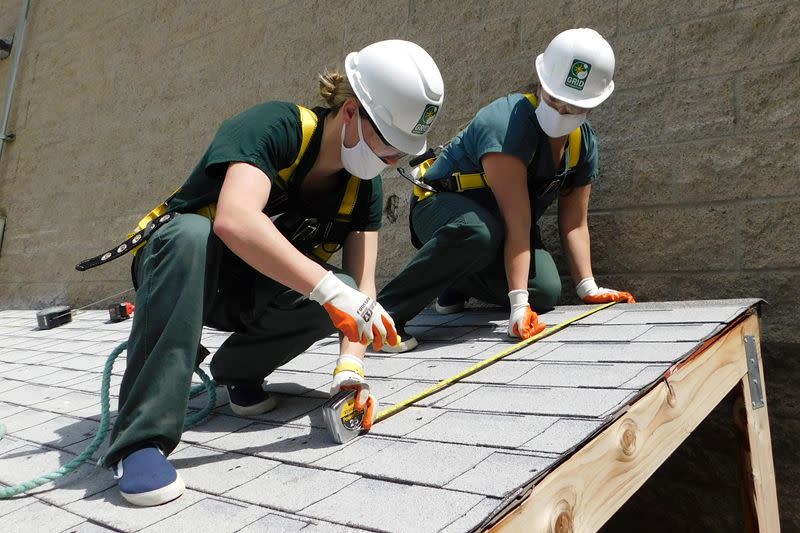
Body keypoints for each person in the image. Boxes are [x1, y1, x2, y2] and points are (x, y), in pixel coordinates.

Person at [101, 39, 444, 506]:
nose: (392, 162)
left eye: (402, 154)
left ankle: (240, 372)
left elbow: (361, 291)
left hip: (256, 290)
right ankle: (139, 440)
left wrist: (352, 369)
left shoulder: (361, 189)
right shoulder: (274, 126)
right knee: (191, 236)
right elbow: (235, 220)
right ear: (350, 112)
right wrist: (329, 291)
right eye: (387, 146)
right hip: (189, 272)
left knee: (343, 291)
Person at [378, 28, 633, 353]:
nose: (559, 112)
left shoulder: (582, 143)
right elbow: (518, 222)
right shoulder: (506, 125)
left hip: (497, 229)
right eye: (553, 98)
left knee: (544, 289)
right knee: (479, 233)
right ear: (541, 83)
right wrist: (517, 306)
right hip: (441, 210)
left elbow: (574, 223)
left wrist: (587, 286)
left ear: (592, 105)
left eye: (572, 107)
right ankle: (384, 317)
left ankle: (454, 279)